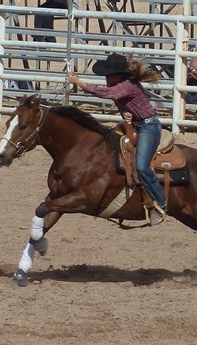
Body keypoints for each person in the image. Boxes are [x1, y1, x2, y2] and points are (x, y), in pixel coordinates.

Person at [68, 54, 166, 226]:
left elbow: (107, 93)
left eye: (109, 74)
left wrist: (80, 83)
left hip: (148, 127)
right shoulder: (123, 86)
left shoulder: (127, 86)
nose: (106, 77)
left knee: (142, 166)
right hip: (136, 125)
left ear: (119, 75)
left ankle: (161, 201)